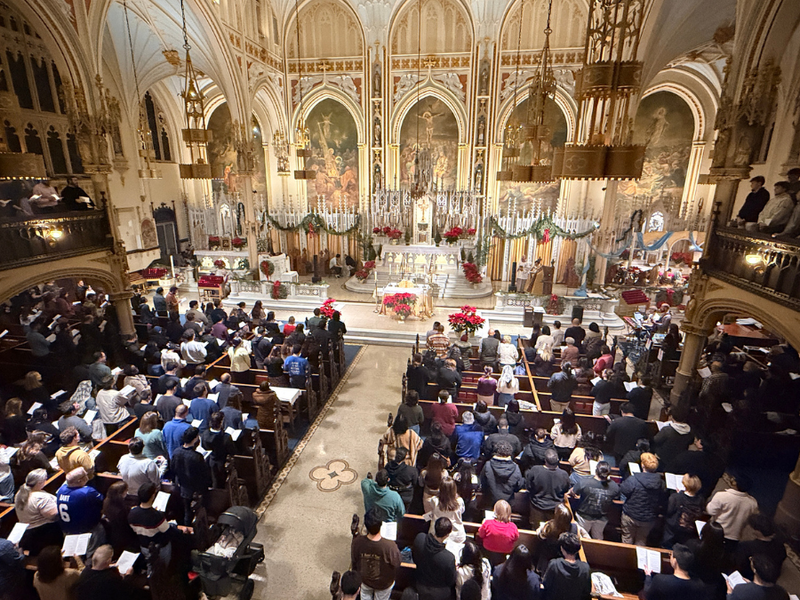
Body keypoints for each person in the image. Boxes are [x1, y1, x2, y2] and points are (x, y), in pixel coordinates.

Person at [350, 507, 401, 600]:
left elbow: (354, 560)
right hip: (383, 583)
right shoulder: (390, 546)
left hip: (365, 580)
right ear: (381, 525)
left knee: (365, 595)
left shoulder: (357, 542)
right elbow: (397, 563)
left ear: (366, 525)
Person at [619, 452, 664, 546]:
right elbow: (662, 498)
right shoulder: (661, 483)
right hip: (648, 519)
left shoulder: (634, 479)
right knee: (641, 541)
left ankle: (626, 559)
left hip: (630, 515)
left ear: (642, 465)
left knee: (627, 539)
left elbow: (623, 490)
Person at [14, 469, 61, 556]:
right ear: (39, 483)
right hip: (44, 533)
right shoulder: (40, 497)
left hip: (29, 533)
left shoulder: (19, 493)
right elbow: (53, 514)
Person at [171, 426, 212, 525]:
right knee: (190, 512)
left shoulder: (176, 452)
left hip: (181, 486)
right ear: (195, 439)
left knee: (186, 510)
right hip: (194, 489)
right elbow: (204, 474)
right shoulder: (197, 457)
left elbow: (173, 469)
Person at [706, 472, 759, 548]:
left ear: (735, 484)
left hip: (716, 533)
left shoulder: (721, 495)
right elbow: (752, 519)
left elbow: (710, 511)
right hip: (735, 537)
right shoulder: (753, 503)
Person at [571, 461, 619, 540]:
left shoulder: (584, 482)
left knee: (581, 537)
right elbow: (615, 497)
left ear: (596, 470)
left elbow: (573, 492)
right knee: (598, 537)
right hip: (602, 518)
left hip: (584, 516)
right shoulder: (614, 486)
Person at [412, 517, 457, 600]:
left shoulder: (419, 538)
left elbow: (414, 558)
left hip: (420, 584)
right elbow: (451, 581)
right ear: (447, 535)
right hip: (440, 593)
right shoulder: (448, 558)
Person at [73, 544, 139, 600]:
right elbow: (125, 593)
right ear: (108, 560)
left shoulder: (85, 572)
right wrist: (128, 576)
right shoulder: (110, 578)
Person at [525, 448, 570, 528]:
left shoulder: (535, 470)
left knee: (537, 530)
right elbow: (565, 490)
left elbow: (528, 486)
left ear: (545, 460)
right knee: (553, 530)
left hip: (537, 507)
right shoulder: (564, 474)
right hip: (554, 509)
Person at [735, 514, 786, 581]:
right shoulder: (780, 546)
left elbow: (739, 564)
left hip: (748, 578)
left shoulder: (746, 547)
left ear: (757, 531)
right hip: (770, 580)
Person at [540, 532, 590, 600]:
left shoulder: (554, 564)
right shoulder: (585, 568)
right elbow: (586, 592)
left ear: (562, 548)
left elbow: (545, 586)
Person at [56, 467, 104, 535]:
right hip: (86, 530)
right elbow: (101, 501)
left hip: (67, 530)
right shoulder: (87, 492)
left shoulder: (61, 490)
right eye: (85, 475)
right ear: (79, 480)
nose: (87, 476)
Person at [662, 474, 705, 548]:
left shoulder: (676, 497)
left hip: (672, 533)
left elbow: (668, 511)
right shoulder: (700, 500)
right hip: (688, 534)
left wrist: (678, 495)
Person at [201, 412, 238, 489]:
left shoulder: (205, 434)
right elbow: (232, 451)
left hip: (211, 461)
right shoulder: (225, 437)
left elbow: (204, 446)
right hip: (223, 462)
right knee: (222, 482)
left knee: (215, 481)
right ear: (221, 422)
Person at [481, 441, 523, 506]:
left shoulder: (488, 465)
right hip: (508, 504)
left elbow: (483, 483)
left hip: (490, 502)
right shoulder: (516, 468)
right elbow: (518, 486)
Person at [653, 405, 693, 472]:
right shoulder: (689, 431)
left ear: (672, 417)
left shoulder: (667, 430)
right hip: (678, 457)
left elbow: (656, 440)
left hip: (663, 458)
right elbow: (691, 441)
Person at [425, 479, 466, 544]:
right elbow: (462, 511)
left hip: (437, 534)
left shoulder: (434, 500)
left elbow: (431, 512)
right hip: (456, 534)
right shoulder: (459, 501)